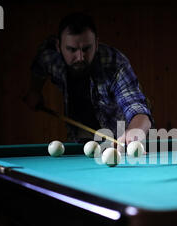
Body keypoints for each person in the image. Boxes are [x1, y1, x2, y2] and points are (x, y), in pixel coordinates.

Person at [24, 12, 154, 151]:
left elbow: (135, 105)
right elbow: (39, 67)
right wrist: (35, 91)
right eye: (72, 49)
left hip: (120, 140)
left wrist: (134, 130)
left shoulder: (114, 63)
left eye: (86, 49)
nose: (80, 57)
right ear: (58, 46)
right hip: (80, 138)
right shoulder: (51, 58)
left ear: (96, 44)